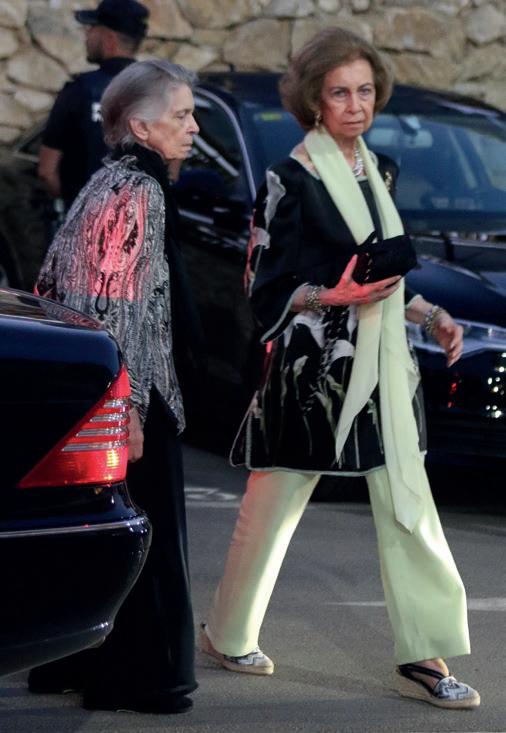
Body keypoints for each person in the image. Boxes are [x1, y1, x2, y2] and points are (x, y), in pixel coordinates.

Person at [199, 27, 481, 710]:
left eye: (364, 91)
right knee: (272, 506)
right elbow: (264, 285)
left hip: (384, 367)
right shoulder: (289, 179)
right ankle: (228, 632)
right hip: (313, 376)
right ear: (313, 101)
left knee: (409, 505)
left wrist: (431, 316)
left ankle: (423, 653)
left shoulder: (381, 171)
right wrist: (333, 296)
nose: (356, 106)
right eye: (339, 93)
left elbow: (384, 273)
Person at [29, 59, 201, 715]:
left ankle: (77, 663)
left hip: (106, 385)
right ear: (140, 125)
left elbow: (53, 279)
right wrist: (127, 408)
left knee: (102, 532)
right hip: (132, 391)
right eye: (181, 114)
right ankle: (142, 679)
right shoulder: (139, 191)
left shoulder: (107, 180)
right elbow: (120, 305)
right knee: (145, 540)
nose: (194, 127)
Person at [38, 0, 149, 212]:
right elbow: (174, 162)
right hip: (137, 224)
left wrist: (76, 207)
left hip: (85, 221)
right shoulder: (158, 92)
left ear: (109, 38)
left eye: (92, 28)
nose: (87, 35)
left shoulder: (80, 90)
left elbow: (46, 170)